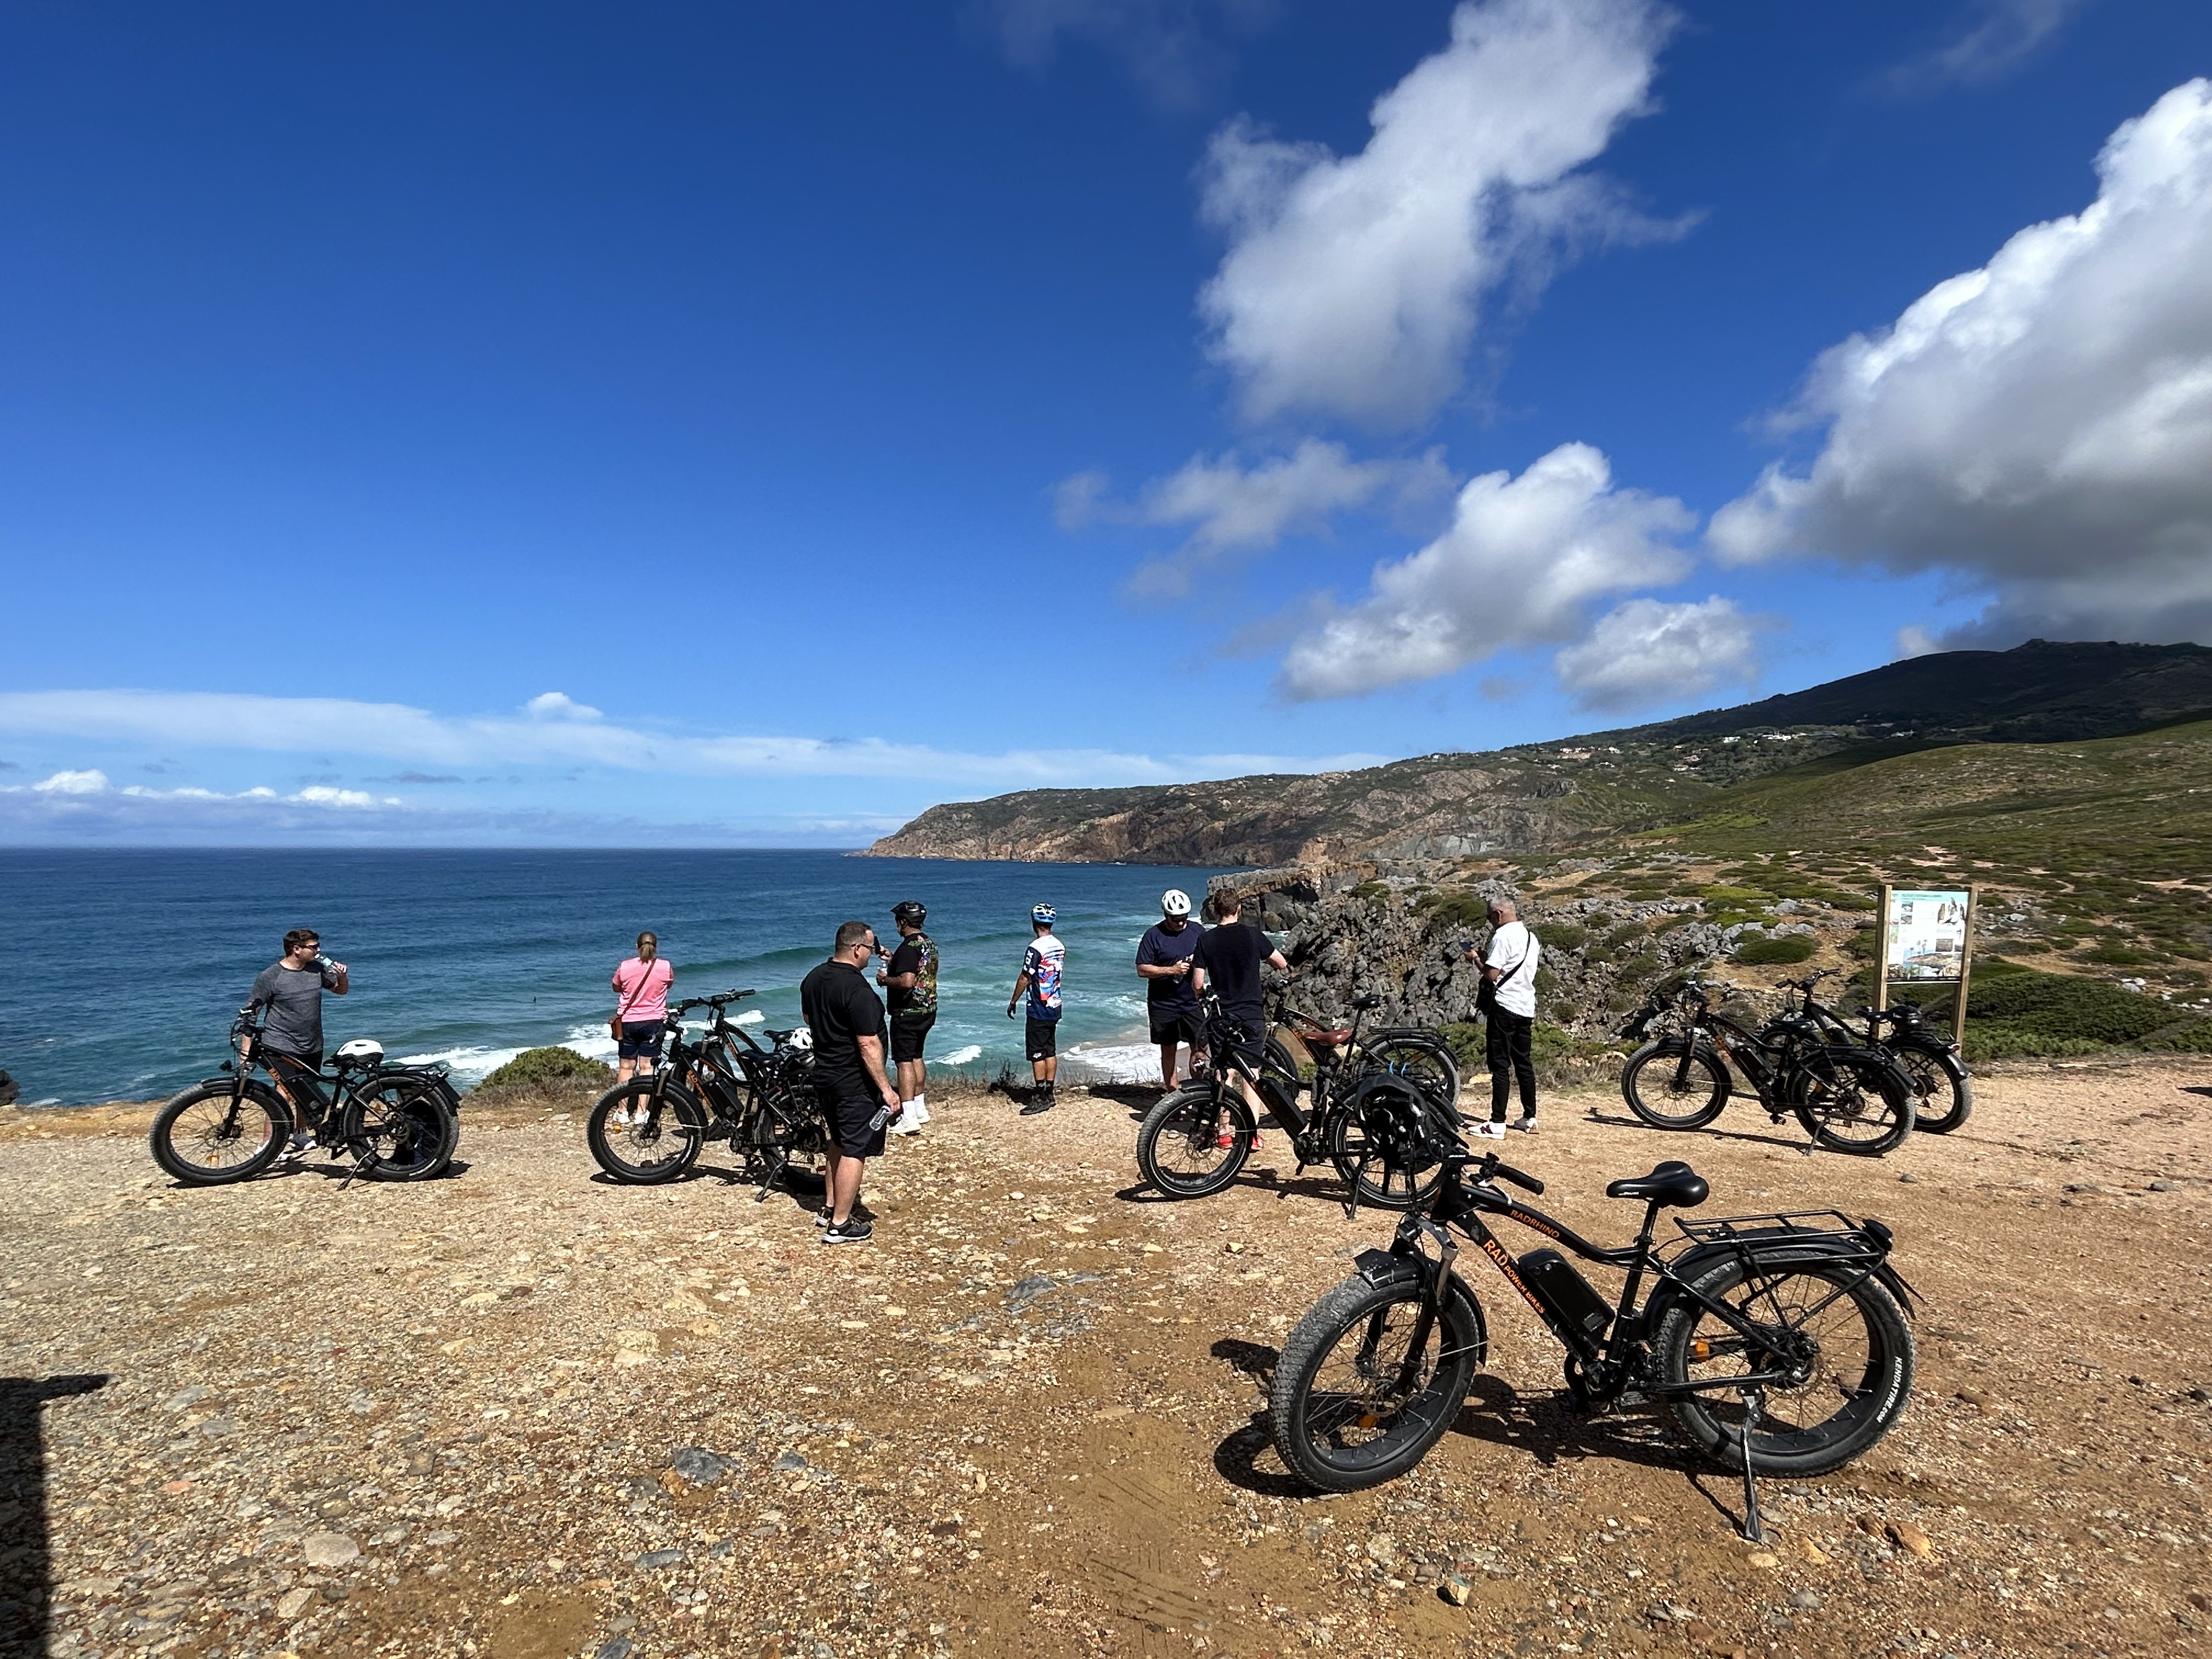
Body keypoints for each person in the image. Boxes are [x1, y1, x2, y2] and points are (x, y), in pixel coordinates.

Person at [799, 921, 902, 1244]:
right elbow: (867, 1043)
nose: (871, 956)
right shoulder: (858, 990)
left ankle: (830, 1207)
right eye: (870, 950)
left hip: (825, 1074)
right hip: (852, 1079)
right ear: (857, 948)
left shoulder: (814, 977)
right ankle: (840, 1224)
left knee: (839, 1140)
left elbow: (808, 1018)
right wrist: (887, 1090)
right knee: (855, 1148)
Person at [246, 928, 348, 1156]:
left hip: (312, 1043)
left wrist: (342, 975)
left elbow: (341, 991)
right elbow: (252, 1012)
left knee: (307, 1091)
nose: (319, 950)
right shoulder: (271, 976)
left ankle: (300, 1135)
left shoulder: (316, 970)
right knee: (282, 1092)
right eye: (314, 947)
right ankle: (269, 1144)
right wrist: (246, 1052)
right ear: (297, 950)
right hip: (280, 1043)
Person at [1190, 891, 1286, 1132]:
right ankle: (1250, 1132)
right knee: (1251, 1072)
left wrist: (1201, 998)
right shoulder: (1253, 935)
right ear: (1239, 909)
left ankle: (1223, 1130)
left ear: (1215, 911)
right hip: (1251, 1012)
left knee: (1224, 1072)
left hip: (1221, 1014)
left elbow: (1198, 983)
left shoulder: (1206, 940)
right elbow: (1281, 962)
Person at [1465, 898, 1541, 1136]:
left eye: (1489, 918)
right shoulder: (1530, 937)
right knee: (1523, 1063)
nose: (1489, 923)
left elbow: (1492, 975)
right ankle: (1529, 1117)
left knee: (1499, 1064)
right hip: (1526, 1006)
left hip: (1504, 1006)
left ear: (1498, 915)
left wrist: (1476, 959)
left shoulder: (1502, 936)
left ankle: (1497, 1122)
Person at [877, 899, 938, 1136]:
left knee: (903, 1062)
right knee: (916, 1057)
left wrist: (884, 980)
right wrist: (892, 958)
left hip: (907, 1012)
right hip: (927, 1010)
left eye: (897, 921)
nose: (896, 926)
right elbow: (918, 969)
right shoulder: (928, 944)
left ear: (904, 921)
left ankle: (909, 1116)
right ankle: (920, 1108)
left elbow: (907, 981)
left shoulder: (908, 947)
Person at [1136, 888, 1206, 1090]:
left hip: (1192, 1002)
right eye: (1176, 919)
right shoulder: (1153, 936)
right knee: (1169, 1050)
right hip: (1163, 1004)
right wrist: (1171, 970)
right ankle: (1173, 1093)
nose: (1181, 923)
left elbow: (1210, 957)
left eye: (1184, 918)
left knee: (1200, 1048)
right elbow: (1142, 969)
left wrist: (1197, 960)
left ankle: (1199, 1091)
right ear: (1166, 916)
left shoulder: (1197, 931)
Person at [1005, 903, 1064, 1116]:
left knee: (1037, 1052)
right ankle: (1050, 1092)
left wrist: (1013, 1001)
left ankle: (1040, 1096)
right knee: (1050, 1049)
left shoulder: (1035, 948)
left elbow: (1025, 977)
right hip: (1054, 1004)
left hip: (1039, 1006)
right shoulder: (1059, 945)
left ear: (1034, 923)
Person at [610, 932, 674, 1114]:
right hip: (653, 1022)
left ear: (637, 946)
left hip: (628, 1022)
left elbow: (616, 987)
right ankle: (641, 1112)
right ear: (656, 947)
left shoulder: (625, 966)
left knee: (626, 1067)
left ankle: (622, 1111)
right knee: (647, 1067)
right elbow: (668, 985)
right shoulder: (665, 966)